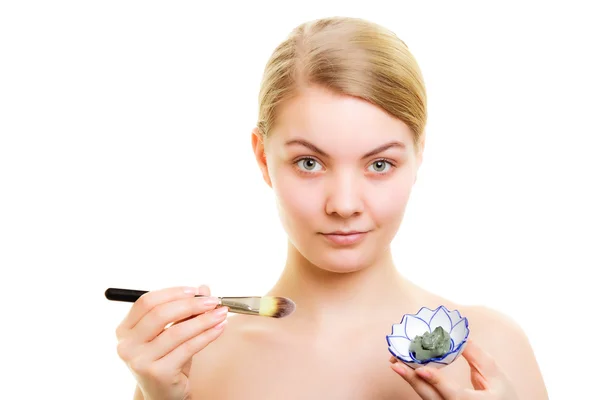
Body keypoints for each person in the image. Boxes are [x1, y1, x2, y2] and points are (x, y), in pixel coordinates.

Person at [114, 16, 548, 399]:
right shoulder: (193, 365)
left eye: (380, 164)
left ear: (418, 156)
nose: (343, 204)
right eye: (310, 163)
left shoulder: (491, 351)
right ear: (264, 158)